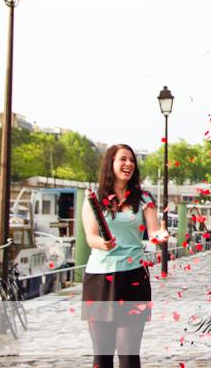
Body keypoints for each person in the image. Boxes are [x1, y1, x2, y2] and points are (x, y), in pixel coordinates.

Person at [81, 144, 167, 368]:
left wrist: (161, 235)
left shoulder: (144, 198)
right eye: (123, 159)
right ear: (111, 163)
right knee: (102, 357)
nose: (129, 163)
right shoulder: (94, 199)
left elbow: (154, 232)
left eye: (132, 160)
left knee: (129, 355)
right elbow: (91, 237)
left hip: (133, 278)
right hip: (99, 279)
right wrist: (103, 243)